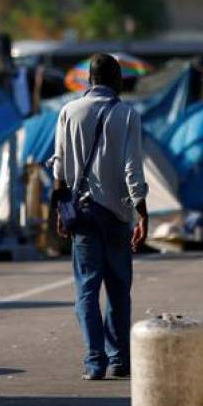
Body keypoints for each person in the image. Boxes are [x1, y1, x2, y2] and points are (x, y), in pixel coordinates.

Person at [52, 53, 149, 380]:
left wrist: (60, 209)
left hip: (80, 212)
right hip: (118, 213)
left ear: (89, 80)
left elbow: (60, 167)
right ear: (116, 79)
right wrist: (142, 212)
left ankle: (95, 362)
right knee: (119, 289)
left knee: (86, 289)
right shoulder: (127, 114)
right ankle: (120, 359)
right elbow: (132, 168)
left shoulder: (68, 111)